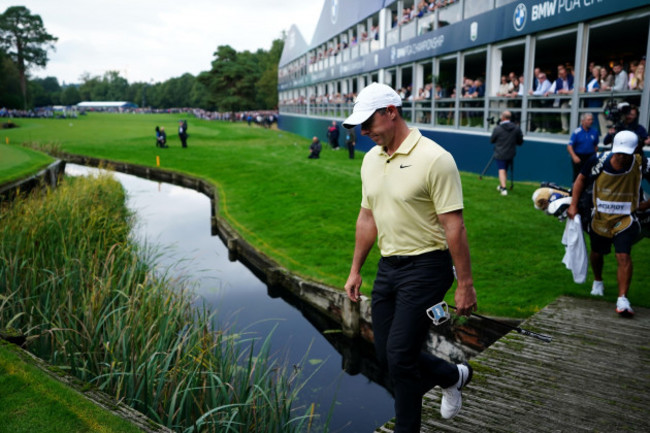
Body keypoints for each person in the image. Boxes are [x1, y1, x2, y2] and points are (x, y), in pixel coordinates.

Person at [342, 83, 478, 432]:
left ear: (391, 111)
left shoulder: (435, 159)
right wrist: (355, 270)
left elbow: (454, 226)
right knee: (387, 355)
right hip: (389, 267)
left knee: (401, 356)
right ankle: (453, 376)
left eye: (369, 122)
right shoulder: (371, 159)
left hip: (428, 266)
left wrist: (465, 284)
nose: (365, 131)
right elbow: (367, 218)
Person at [567, 130, 650, 316]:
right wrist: (573, 204)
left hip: (626, 219)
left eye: (626, 154)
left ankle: (623, 299)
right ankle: (598, 280)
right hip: (600, 218)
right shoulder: (598, 161)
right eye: (619, 152)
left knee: (623, 255)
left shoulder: (641, 164)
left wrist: (646, 204)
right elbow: (580, 180)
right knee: (597, 253)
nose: (622, 157)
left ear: (635, 150)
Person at [490, 110, 524, 195]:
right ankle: (502, 185)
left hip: (500, 152)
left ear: (503, 117)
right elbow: (520, 141)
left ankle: (504, 188)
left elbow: (492, 140)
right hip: (510, 153)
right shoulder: (516, 128)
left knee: (501, 170)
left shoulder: (498, 128)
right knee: (504, 170)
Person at [567, 113, 599, 180]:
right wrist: (574, 157)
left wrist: (595, 156)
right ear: (583, 121)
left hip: (590, 156)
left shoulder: (594, 132)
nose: (591, 121)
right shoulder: (577, 132)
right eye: (589, 120)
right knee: (577, 176)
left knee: (589, 175)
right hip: (579, 156)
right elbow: (569, 146)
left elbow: (595, 146)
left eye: (592, 119)